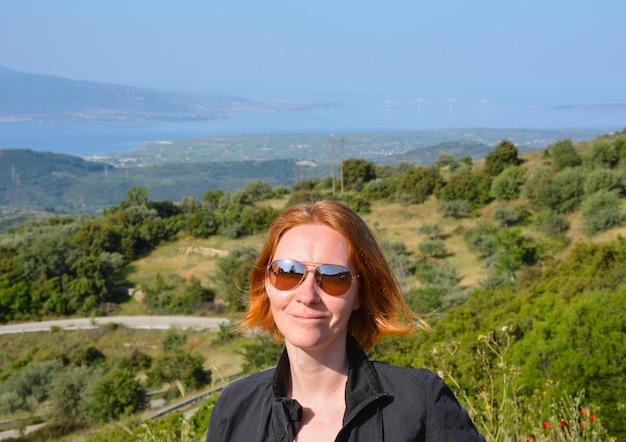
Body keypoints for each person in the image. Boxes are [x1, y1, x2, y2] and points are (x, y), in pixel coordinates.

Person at [207, 200, 485, 441]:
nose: (307, 295)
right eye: (288, 272)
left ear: (360, 295)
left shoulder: (420, 404)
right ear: (266, 282)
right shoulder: (235, 409)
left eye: (333, 278)